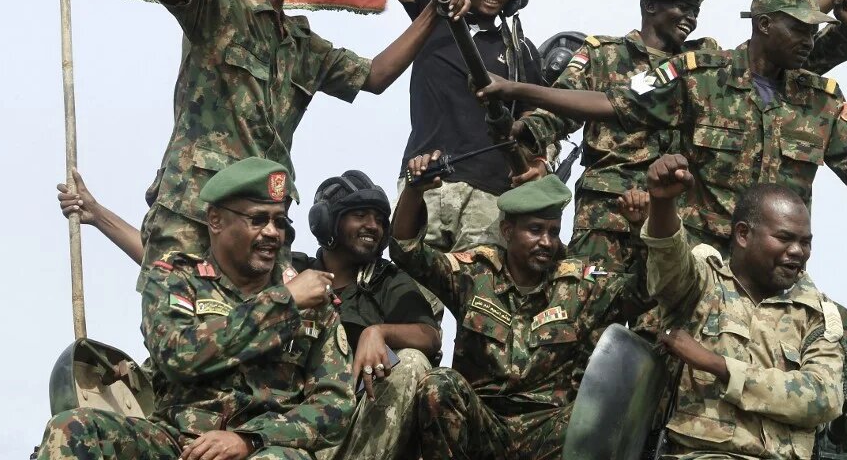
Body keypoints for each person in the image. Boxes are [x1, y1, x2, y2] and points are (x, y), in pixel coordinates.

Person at [512, 0, 847, 322]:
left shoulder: (705, 62)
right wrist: (531, 144)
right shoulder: (605, 55)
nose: (690, 18)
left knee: (664, 321)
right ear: (649, 6)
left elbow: (777, 41)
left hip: (676, 216)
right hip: (613, 211)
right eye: (680, 8)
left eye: (695, 11)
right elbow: (560, 108)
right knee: (590, 314)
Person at [478, 0, 847, 255]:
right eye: (799, 29)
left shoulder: (819, 99)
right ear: (764, 26)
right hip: (694, 255)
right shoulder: (700, 76)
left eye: (815, 31)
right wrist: (517, 91)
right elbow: (615, 103)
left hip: (768, 263)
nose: (809, 39)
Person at [138, 0, 470, 274]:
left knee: (265, 328)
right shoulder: (220, 2)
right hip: (197, 207)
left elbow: (376, 76)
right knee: (183, 318)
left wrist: (432, 13)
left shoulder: (301, 44)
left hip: (265, 217)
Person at [36, 158, 353, 459]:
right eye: (258, 219)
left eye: (279, 221)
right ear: (216, 220)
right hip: (174, 442)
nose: (272, 232)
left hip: (264, 446)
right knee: (71, 428)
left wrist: (249, 438)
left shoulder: (314, 302)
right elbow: (178, 356)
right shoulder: (174, 282)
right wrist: (281, 304)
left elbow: (335, 405)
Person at [389, 157, 620, 460]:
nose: (546, 242)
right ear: (508, 231)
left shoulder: (580, 282)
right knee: (439, 384)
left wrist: (649, 219)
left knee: (601, 411)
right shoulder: (475, 274)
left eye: (553, 231)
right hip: (483, 422)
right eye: (535, 230)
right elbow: (405, 250)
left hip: (547, 429)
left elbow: (651, 289)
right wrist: (414, 189)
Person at [365, 0, 547, 255]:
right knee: (415, 296)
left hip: (491, 193)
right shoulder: (434, 17)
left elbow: (538, 121)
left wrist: (540, 161)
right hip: (426, 181)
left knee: (480, 304)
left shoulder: (522, 52)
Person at [642, 153, 844, 459]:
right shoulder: (702, 285)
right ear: (743, 234)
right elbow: (668, 262)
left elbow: (823, 397)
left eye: (806, 242)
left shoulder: (813, 313)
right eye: (785, 238)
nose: (797, 251)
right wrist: (661, 203)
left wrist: (717, 365)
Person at [294, 170, 440, 460]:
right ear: (327, 223)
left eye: (378, 219)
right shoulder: (292, 271)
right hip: (287, 423)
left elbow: (429, 336)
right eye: (360, 215)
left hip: (354, 423)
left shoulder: (386, 280)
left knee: (412, 361)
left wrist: (379, 332)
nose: (372, 226)